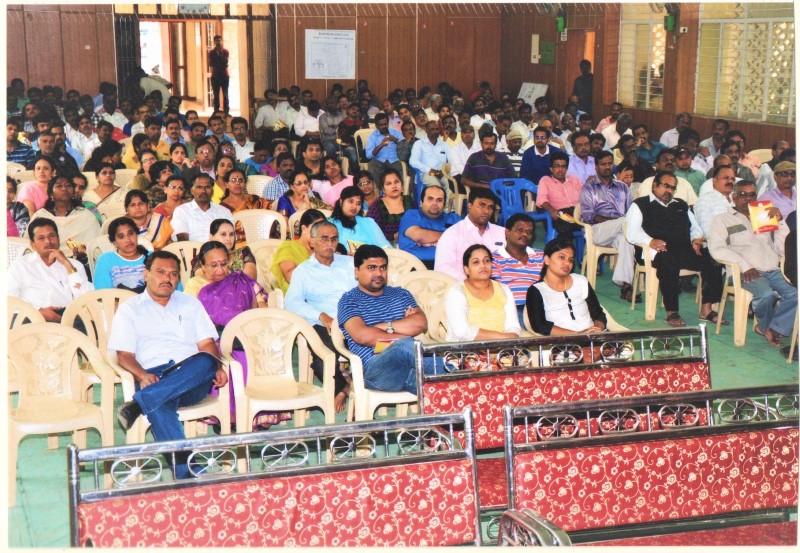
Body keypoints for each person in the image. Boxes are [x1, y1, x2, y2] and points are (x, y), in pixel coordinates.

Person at [109, 250, 228, 479]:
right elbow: (124, 355)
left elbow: (206, 343)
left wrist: (218, 367)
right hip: (152, 376)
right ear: (146, 274)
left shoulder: (190, 304)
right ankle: (188, 473)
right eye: (160, 272)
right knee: (160, 406)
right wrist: (141, 375)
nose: (167, 278)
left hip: (192, 376)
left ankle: (141, 402)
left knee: (207, 360)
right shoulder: (130, 309)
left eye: (173, 274)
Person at [192, 240, 284, 430]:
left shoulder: (243, 281)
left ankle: (256, 414)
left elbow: (261, 309)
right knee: (222, 356)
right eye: (213, 265)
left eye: (223, 264)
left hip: (245, 335)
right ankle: (228, 415)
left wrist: (256, 331)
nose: (220, 270)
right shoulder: (197, 286)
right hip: (212, 339)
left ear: (230, 261)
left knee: (256, 353)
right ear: (202, 265)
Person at [337, 245, 442, 394]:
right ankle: (453, 372)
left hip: (408, 368)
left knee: (428, 383)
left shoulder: (401, 294)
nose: (379, 273)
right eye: (371, 268)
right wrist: (403, 335)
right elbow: (362, 336)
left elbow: (420, 323)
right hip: (375, 370)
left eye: (383, 268)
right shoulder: (349, 300)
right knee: (403, 347)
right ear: (356, 271)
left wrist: (383, 326)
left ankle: (458, 387)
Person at [626, 171, 725, 327]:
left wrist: (695, 239)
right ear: (654, 185)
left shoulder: (680, 204)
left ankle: (706, 309)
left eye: (673, 188)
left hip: (682, 249)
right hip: (655, 251)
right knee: (668, 261)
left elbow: (695, 227)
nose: (669, 191)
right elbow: (632, 232)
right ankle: (672, 312)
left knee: (713, 258)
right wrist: (650, 241)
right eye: (666, 186)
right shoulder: (640, 204)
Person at [708, 180, 794, 347]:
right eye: (743, 194)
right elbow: (717, 249)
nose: (748, 198)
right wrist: (745, 266)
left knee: (796, 293)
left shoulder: (762, 216)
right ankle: (768, 328)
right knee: (766, 294)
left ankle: (773, 328)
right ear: (734, 197)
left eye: (752, 194)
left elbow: (782, 248)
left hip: (772, 268)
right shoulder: (722, 219)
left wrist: (780, 222)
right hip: (743, 272)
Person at [285, 220, 356, 412]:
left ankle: (344, 390)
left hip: (354, 320)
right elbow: (291, 303)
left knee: (375, 352)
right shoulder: (303, 271)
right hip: (323, 324)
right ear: (312, 242)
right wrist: (320, 315)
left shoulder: (349, 264)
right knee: (324, 359)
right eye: (324, 239)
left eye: (334, 239)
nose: (330, 244)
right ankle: (348, 388)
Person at [8, 217, 94, 322]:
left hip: (65, 317)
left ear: (58, 239)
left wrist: (67, 264)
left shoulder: (74, 265)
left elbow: (87, 298)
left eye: (52, 236)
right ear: (32, 244)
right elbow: (9, 299)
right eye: (41, 238)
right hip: (31, 318)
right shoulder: (20, 265)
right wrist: (37, 312)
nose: (48, 241)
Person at [579, 150, 638, 301]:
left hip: (619, 231)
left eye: (610, 163)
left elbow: (630, 211)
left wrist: (622, 222)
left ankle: (626, 286)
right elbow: (589, 216)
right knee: (625, 222)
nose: (607, 167)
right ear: (596, 167)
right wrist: (617, 221)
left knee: (627, 241)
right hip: (597, 231)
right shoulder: (588, 188)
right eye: (603, 164)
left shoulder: (622, 187)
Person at [526, 237, 607, 335]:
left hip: (592, 337)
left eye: (570, 260)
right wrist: (577, 335)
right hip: (563, 341)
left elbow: (598, 314)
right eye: (562, 257)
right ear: (547, 260)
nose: (567, 263)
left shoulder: (581, 281)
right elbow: (540, 326)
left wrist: (597, 329)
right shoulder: (537, 290)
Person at [445, 244, 521, 341]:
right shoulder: (457, 291)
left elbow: (513, 325)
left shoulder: (504, 289)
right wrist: (502, 338)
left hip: (503, 347)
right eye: (476, 262)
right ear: (466, 269)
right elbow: (462, 331)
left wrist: (509, 338)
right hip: (467, 348)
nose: (483, 265)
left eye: (487, 261)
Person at [435, 187, 505, 281]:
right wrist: (473, 283)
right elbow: (442, 270)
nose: (486, 211)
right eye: (482, 205)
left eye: (490, 207)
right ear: (469, 206)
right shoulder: (452, 234)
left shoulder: (502, 233)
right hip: (462, 286)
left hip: (498, 286)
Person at [491, 214, 544, 325]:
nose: (525, 234)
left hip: (540, 307)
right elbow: (498, 292)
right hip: (513, 308)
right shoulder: (494, 258)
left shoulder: (541, 256)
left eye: (529, 232)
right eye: (520, 230)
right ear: (507, 232)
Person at [29, 175, 101, 258]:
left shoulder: (86, 216)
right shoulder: (40, 216)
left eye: (68, 185)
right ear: (51, 194)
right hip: (45, 260)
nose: (64, 188)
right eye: (59, 186)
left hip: (79, 261)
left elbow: (95, 246)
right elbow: (30, 244)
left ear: (73, 192)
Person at [398, 185, 460, 269]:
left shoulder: (454, 219)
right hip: (416, 266)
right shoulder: (412, 215)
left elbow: (466, 238)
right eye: (430, 199)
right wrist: (451, 235)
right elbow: (419, 236)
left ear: (444, 204)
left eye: (439, 200)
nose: (434, 203)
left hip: (449, 266)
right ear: (421, 202)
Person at [271, 209, 327, 294]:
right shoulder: (288, 248)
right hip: (298, 295)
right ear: (304, 229)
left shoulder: (323, 249)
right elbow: (290, 277)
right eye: (316, 228)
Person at [93, 217, 151, 291]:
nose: (128, 239)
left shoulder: (152, 257)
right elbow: (103, 293)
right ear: (114, 242)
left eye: (131, 233)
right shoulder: (106, 260)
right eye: (121, 236)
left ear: (136, 235)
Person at [171, 174, 234, 242]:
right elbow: (182, 240)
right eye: (199, 187)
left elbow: (231, 237)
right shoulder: (182, 211)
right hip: (192, 248)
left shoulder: (224, 212)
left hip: (220, 248)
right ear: (192, 191)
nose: (203, 191)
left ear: (212, 191)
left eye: (207, 187)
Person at [219, 167, 271, 248]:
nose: (237, 183)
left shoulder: (255, 200)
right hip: (236, 243)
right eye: (233, 180)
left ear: (245, 184)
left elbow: (269, 217)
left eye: (240, 180)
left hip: (260, 239)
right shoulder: (222, 207)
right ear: (226, 184)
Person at [329, 186, 391, 253]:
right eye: (351, 201)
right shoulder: (330, 224)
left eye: (358, 203)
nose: (354, 207)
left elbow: (386, 247)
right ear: (341, 202)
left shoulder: (369, 222)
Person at [536, 151, 583, 238]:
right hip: (559, 214)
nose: (560, 169)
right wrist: (552, 210)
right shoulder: (545, 180)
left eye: (563, 166)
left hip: (577, 212)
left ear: (567, 168)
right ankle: (567, 246)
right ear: (551, 169)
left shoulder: (574, 180)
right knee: (564, 227)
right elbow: (541, 200)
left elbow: (584, 197)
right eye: (557, 166)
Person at [366, 168, 413, 243]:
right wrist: (393, 236)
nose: (394, 186)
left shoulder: (411, 201)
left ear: (402, 185)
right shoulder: (376, 208)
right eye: (389, 183)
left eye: (396, 182)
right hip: (387, 246)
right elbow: (372, 233)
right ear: (383, 190)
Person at [209, 35, 230, 114]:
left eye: (219, 40)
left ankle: (226, 111)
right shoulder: (211, 52)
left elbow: (225, 62)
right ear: (214, 42)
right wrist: (220, 64)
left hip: (224, 75)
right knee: (216, 94)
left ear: (221, 41)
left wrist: (220, 52)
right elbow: (211, 64)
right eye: (216, 40)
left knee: (225, 94)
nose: (218, 42)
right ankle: (216, 111)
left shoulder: (225, 51)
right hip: (215, 75)